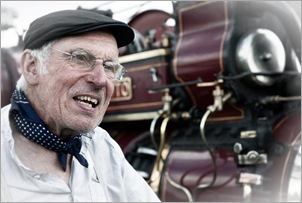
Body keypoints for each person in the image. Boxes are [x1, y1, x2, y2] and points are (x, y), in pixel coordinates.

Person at [1, 9, 161, 202]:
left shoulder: (101, 145)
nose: (101, 80)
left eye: (110, 67)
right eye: (80, 58)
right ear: (32, 67)